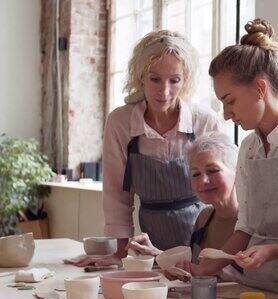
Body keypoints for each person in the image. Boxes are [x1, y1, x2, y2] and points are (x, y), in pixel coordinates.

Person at [173, 19, 278, 293]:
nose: (227, 114)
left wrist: (271, 251)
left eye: (230, 101)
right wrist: (209, 266)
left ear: (260, 88)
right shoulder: (249, 148)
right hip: (259, 284)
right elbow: (246, 227)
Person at [74, 30, 221, 267]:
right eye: (155, 79)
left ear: (186, 80)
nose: (164, 92)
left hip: (205, 239)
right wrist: (120, 255)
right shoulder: (120, 123)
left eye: (175, 80)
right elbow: (117, 195)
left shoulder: (204, 121)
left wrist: (218, 255)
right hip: (150, 240)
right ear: (141, 76)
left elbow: (222, 192)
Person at [127, 132, 238, 265]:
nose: (203, 180)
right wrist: (156, 254)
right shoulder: (204, 217)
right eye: (195, 174)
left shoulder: (251, 221)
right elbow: (195, 266)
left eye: (213, 170)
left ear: (237, 170)